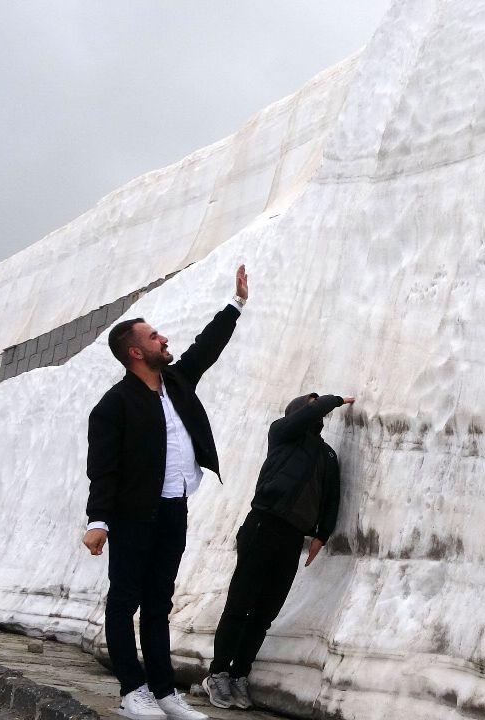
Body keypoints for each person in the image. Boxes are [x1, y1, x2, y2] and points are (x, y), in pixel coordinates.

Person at [82, 265, 249, 720]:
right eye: (155, 337)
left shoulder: (176, 383)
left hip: (174, 509)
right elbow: (103, 469)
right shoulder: (113, 406)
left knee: (158, 603)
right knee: (124, 601)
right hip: (132, 516)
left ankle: (164, 693)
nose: (165, 340)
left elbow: (204, 349)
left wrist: (234, 305)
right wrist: (98, 521)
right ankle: (131, 690)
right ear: (136, 351)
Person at [202, 392, 354, 710]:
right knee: (239, 604)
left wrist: (321, 534)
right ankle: (217, 674)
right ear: (297, 412)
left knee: (263, 613)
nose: (316, 411)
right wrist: (333, 399)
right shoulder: (282, 433)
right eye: (310, 405)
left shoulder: (327, 455)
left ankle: (239, 675)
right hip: (263, 524)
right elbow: (301, 419)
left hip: (292, 537)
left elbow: (332, 495)